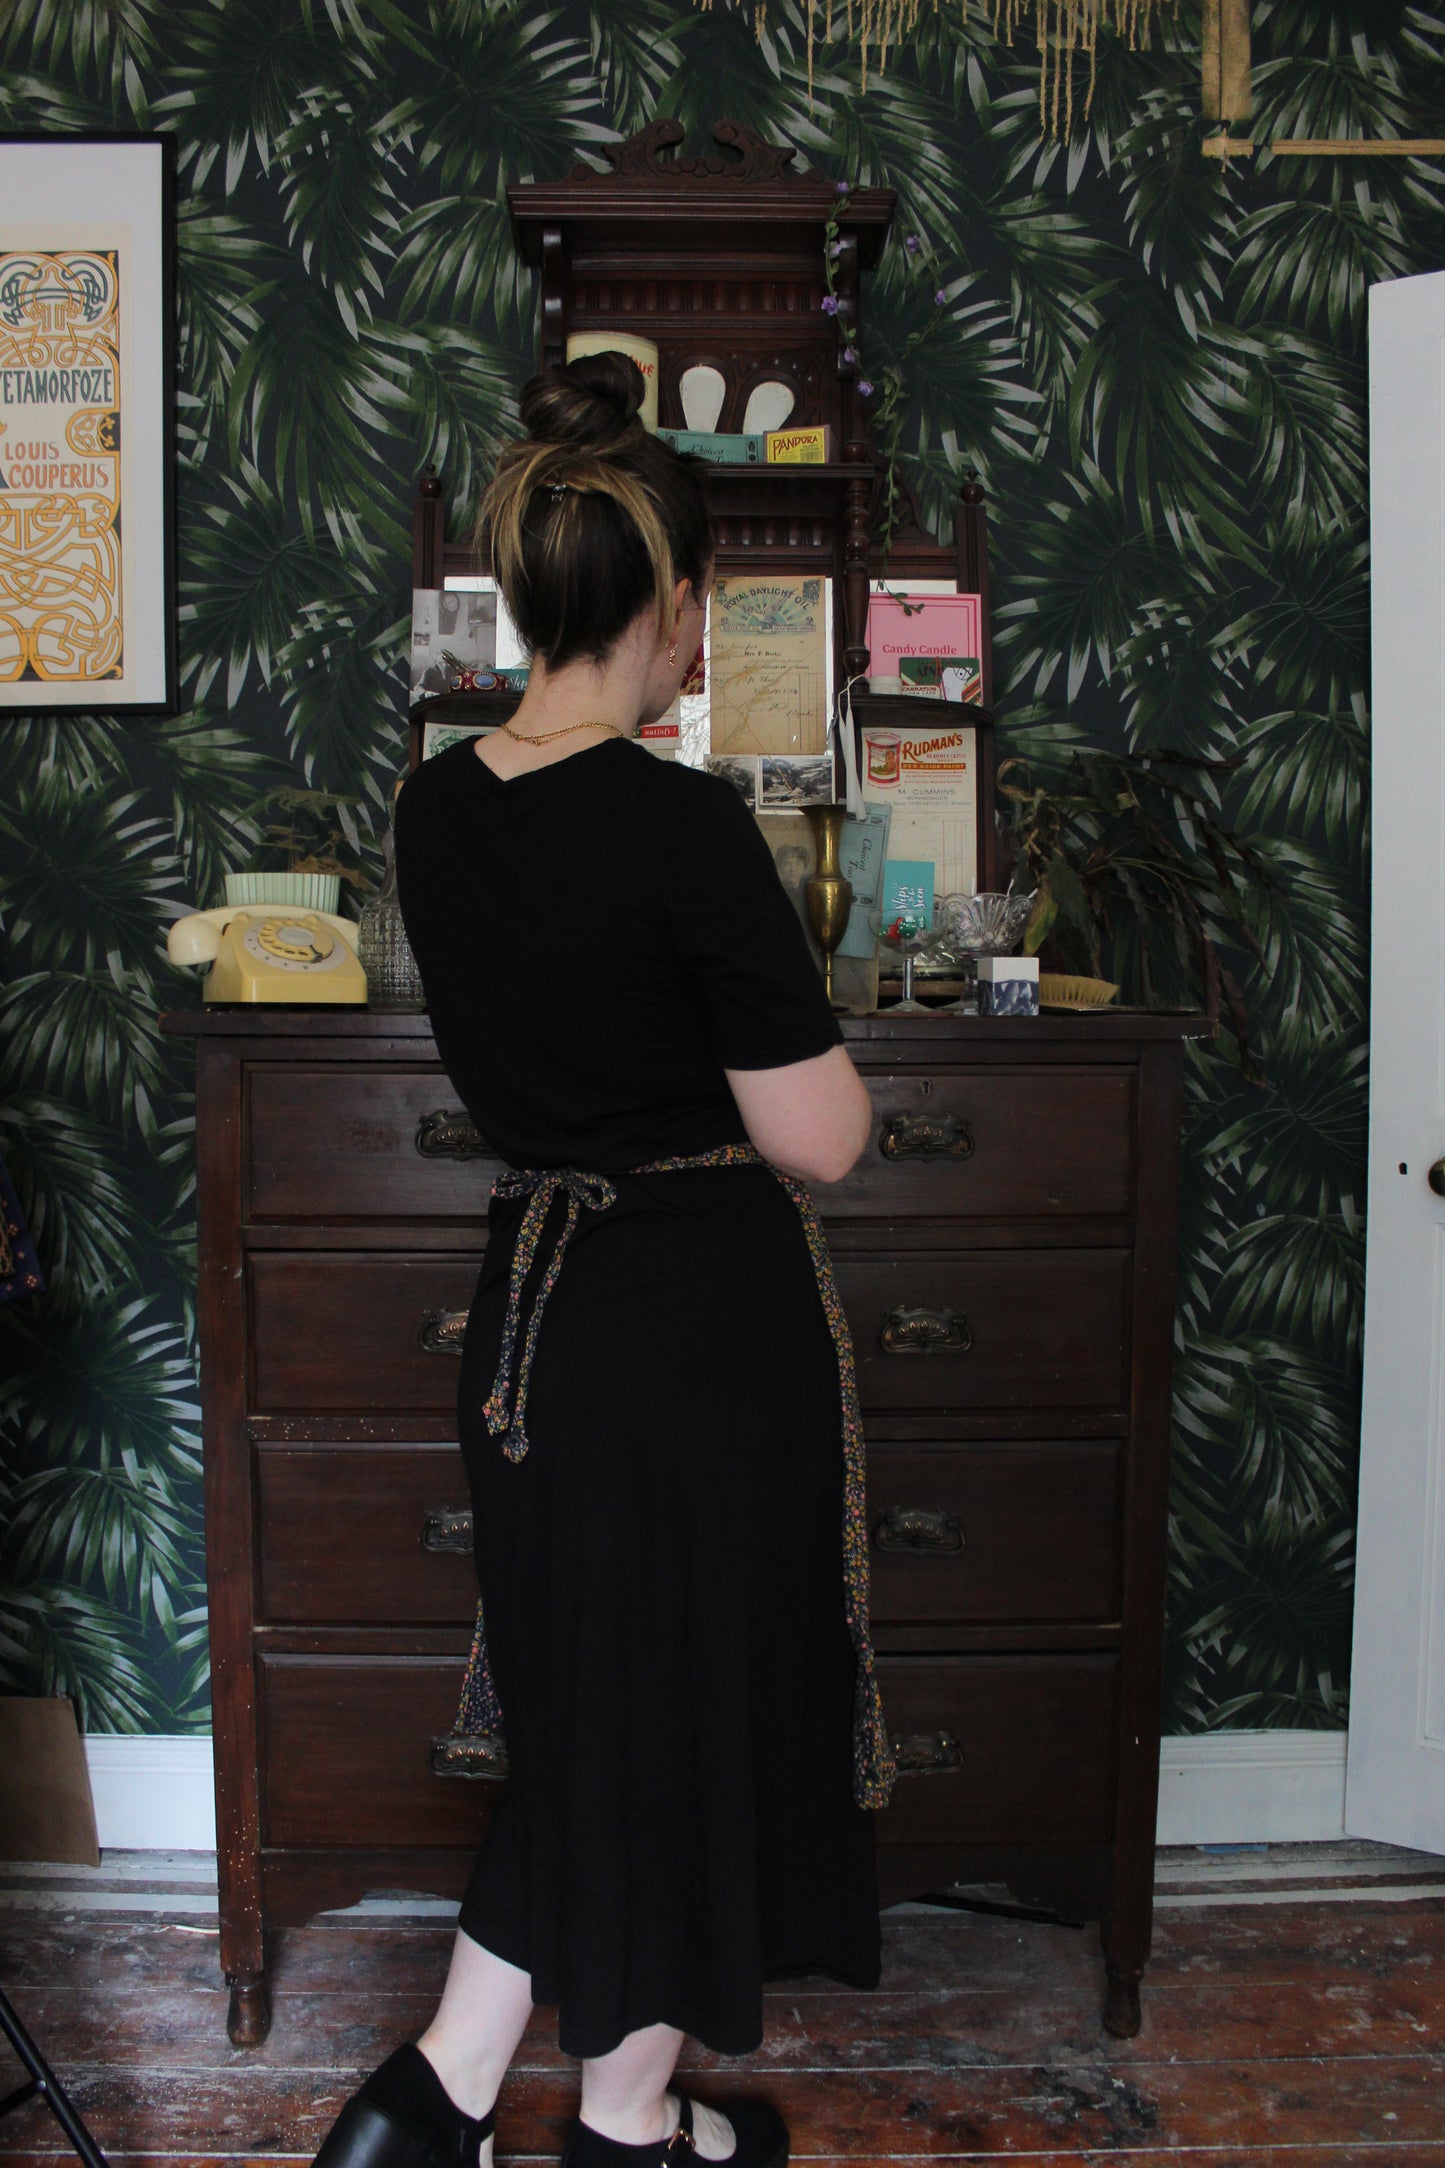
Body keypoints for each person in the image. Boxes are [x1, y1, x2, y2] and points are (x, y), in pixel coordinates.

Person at [311, 351, 891, 2168]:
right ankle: (630, 2126)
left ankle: (434, 2100)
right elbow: (817, 1138)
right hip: (691, 1332)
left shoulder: (436, 805)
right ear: (667, 604)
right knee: (680, 1713)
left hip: (532, 1328)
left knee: (597, 1703)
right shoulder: (677, 821)